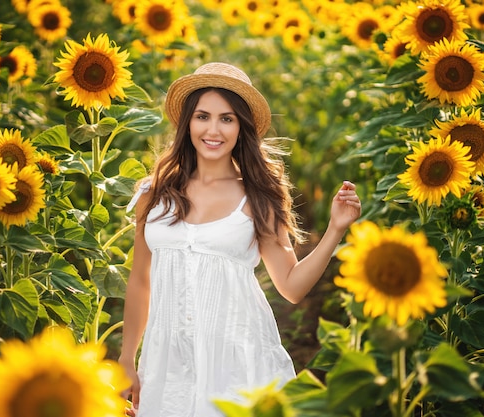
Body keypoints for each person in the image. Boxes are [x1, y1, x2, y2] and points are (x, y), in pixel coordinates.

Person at [118, 62, 361, 417]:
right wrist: (127, 358)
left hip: (237, 360)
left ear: (240, 128)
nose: (213, 130)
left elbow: (291, 286)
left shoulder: (258, 196)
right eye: (203, 116)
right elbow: (140, 281)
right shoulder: (153, 193)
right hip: (168, 361)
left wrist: (335, 230)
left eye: (227, 119)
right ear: (187, 123)